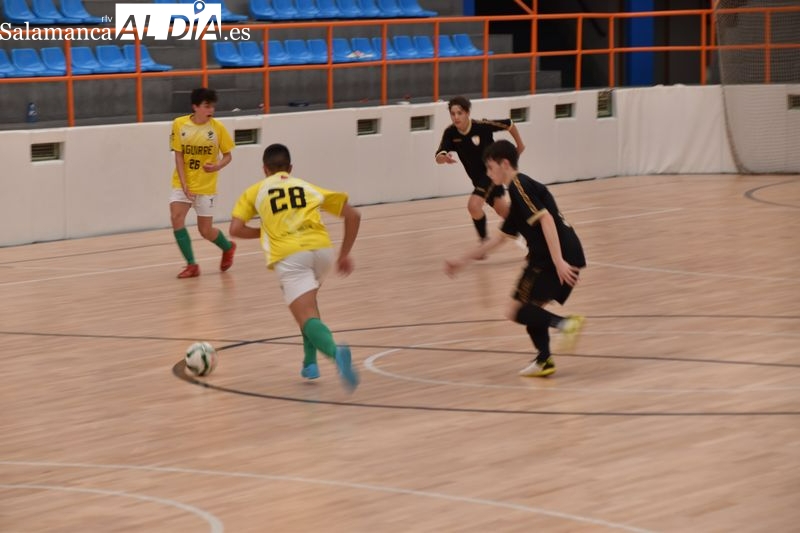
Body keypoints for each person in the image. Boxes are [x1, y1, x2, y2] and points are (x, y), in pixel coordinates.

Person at [445, 140, 585, 377]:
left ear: (505, 164)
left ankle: (565, 324)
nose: (488, 174)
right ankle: (544, 360)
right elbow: (498, 240)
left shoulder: (519, 185)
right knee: (531, 310)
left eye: (490, 168)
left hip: (552, 258)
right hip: (560, 255)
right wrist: (462, 261)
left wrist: (558, 261)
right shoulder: (517, 196)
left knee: (516, 310)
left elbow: (546, 219)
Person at [229, 143, 361, 391]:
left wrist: (263, 231)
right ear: (289, 168)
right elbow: (354, 216)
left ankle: (336, 353)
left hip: (290, 255)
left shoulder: (255, 191)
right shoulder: (306, 186)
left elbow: (235, 229)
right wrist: (344, 254)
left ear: (264, 169)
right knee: (309, 305)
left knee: (306, 314)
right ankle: (310, 364)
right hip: (322, 251)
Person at [435, 95, 526, 244]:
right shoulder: (450, 133)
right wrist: (444, 158)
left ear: (467, 113)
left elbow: (509, 123)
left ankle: (484, 242)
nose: (456, 117)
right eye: (453, 114)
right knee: (505, 213)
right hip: (478, 180)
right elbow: (439, 155)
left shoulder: (481, 126)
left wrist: (520, 146)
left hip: (492, 173)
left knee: (473, 206)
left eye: (460, 113)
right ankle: (533, 232)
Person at [169, 87, 236, 279]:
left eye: (212, 106)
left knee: (205, 231)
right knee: (176, 218)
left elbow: (228, 156)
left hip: (206, 186)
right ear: (195, 107)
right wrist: (184, 184)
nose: (211, 110)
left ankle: (228, 247)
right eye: (207, 106)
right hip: (183, 183)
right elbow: (179, 156)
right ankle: (192, 265)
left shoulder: (217, 128)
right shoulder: (179, 124)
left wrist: (217, 166)